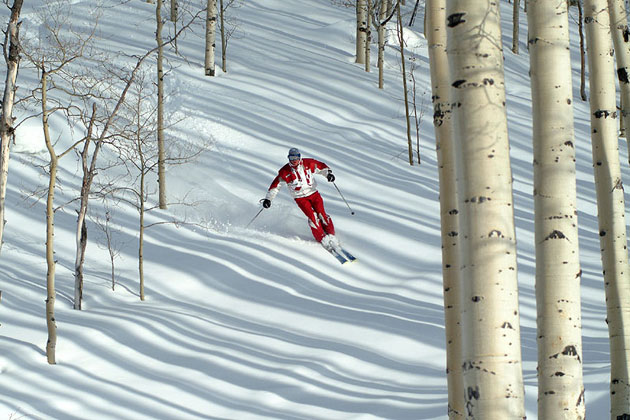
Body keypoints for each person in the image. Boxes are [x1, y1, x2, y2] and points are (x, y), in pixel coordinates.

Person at [262, 147, 340, 250]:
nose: (294, 160)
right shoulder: (285, 172)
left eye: (296, 157)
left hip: (313, 193)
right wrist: (268, 199)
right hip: (300, 198)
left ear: (300, 157)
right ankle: (322, 238)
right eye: (291, 158)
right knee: (313, 217)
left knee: (321, 214)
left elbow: (320, 167)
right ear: (288, 158)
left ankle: (331, 235)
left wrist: (328, 174)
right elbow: (276, 186)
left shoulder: (308, 164)